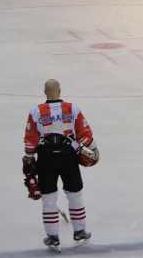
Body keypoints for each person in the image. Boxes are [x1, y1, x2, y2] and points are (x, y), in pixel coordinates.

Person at [24, 79, 97, 251]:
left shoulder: (35, 111)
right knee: (75, 195)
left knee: (49, 199)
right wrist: (94, 149)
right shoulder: (72, 108)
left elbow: (31, 138)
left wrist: (28, 159)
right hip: (68, 156)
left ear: (45, 92)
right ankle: (80, 233)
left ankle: (53, 238)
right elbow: (84, 133)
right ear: (60, 91)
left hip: (46, 158)